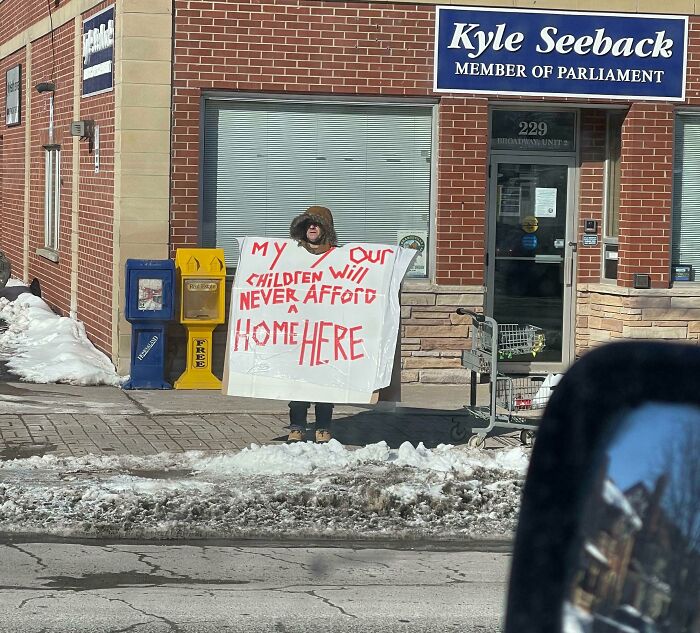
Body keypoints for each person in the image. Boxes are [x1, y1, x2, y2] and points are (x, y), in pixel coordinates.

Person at [287, 205, 338, 443]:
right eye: (308, 224)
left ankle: (323, 426)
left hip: (327, 329)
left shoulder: (339, 257)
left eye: (316, 223)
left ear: (325, 228)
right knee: (298, 379)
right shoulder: (292, 255)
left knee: (324, 379)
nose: (312, 227)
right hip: (298, 328)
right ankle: (297, 425)